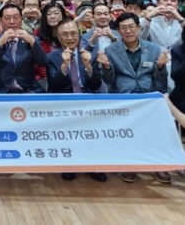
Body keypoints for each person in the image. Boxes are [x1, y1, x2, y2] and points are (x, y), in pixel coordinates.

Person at [97, 12, 170, 184]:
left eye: (131, 27)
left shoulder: (154, 49)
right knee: (127, 133)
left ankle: (158, 165)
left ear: (138, 28)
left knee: (155, 130)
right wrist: (106, 66)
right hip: (123, 97)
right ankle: (130, 164)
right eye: (123, 28)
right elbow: (108, 81)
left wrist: (160, 66)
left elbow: (161, 80)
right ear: (118, 31)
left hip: (148, 96)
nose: (128, 31)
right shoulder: (111, 50)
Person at [45, 19, 107, 182]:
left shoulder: (89, 54)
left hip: (87, 101)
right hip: (64, 102)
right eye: (65, 34)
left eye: (73, 33)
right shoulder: (52, 57)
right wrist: (64, 66)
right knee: (68, 136)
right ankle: (69, 165)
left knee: (91, 135)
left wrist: (88, 66)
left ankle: (93, 166)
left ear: (79, 35)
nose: (70, 38)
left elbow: (96, 85)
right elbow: (53, 86)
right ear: (58, 37)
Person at [0, 4, 48, 93]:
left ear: (21, 19)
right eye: (7, 18)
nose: (12, 21)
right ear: (1, 20)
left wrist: (31, 41)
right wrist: (0, 43)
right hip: (0, 91)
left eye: (16, 17)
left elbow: (43, 62)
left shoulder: (32, 39)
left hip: (28, 90)